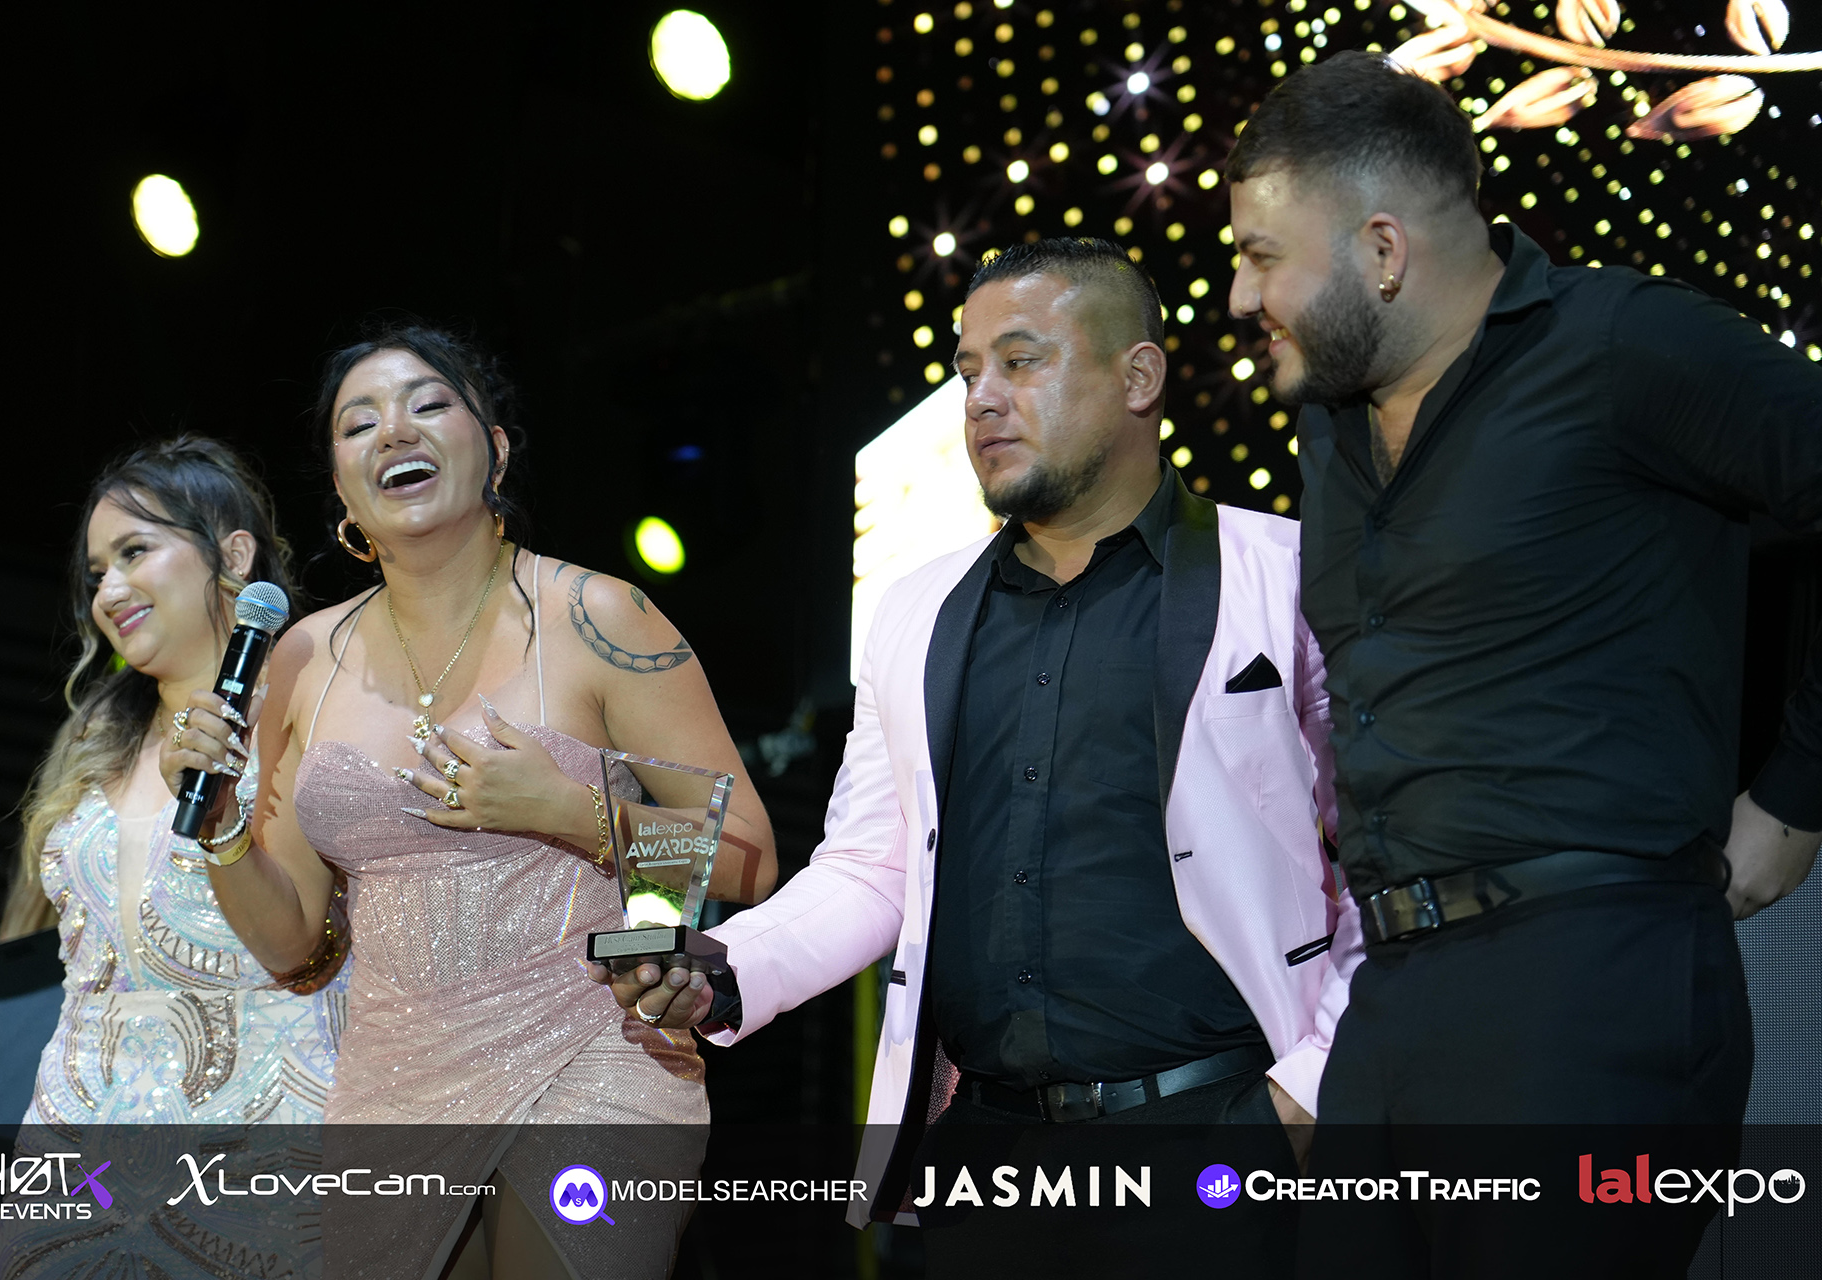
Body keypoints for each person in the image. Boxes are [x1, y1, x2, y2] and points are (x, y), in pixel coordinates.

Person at [599, 238, 1359, 1277]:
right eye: (967, 372)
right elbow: (871, 864)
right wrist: (725, 971)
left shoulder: (1288, 575)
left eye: (1021, 360)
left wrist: (1302, 1101)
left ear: (1139, 376)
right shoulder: (917, 611)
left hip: (1221, 1140)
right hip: (984, 1162)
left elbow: (1387, 863)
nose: (983, 399)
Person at [1224, 51, 1822, 1274]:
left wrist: (1799, 791)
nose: (1240, 296)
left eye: (1259, 255)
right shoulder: (1332, 432)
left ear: (1381, 251)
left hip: (1591, 983)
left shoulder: (1621, 344)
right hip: (1388, 1001)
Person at [167, 321, 776, 1280]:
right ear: (342, 491)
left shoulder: (600, 617)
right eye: (359, 423)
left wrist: (568, 810)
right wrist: (222, 829)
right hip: (392, 1091)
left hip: (593, 1054)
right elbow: (295, 949)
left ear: (494, 448)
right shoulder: (301, 659)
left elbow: (748, 855)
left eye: (428, 404)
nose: (393, 432)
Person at [0, 436, 345, 1275]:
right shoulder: (95, 738)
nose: (109, 591)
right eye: (97, 574)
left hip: (255, 1147)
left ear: (234, 555)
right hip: (75, 1148)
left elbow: (310, 941)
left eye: (134, 552)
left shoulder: (311, 707)